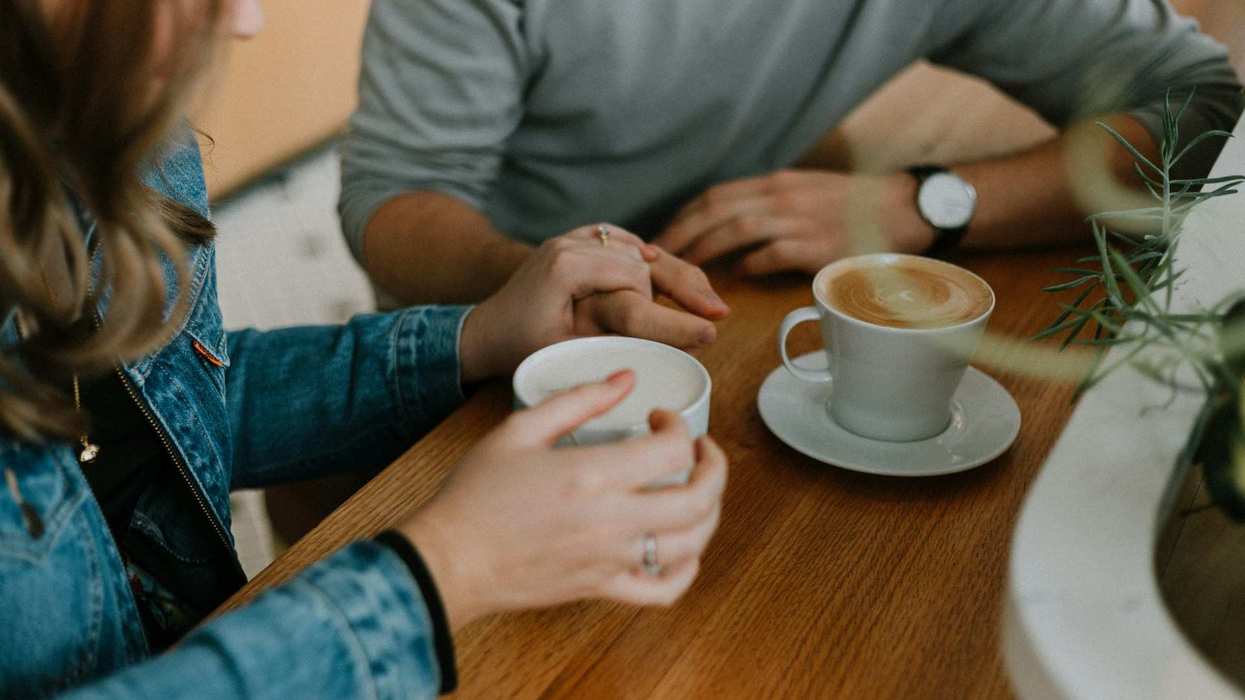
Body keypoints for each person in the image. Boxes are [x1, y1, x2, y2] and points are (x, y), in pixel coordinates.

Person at [0, 2, 729, 697]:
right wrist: (442, 574)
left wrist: (474, 337)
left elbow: (167, 409)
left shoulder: (105, 133)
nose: (244, 20)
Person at [340, 0, 1244, 305]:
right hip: (481, 319)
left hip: (744, 289)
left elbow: (1206, 111)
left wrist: (923, 204)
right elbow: (393, 201)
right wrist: (554, 277)